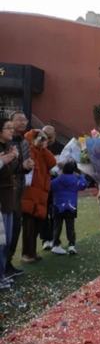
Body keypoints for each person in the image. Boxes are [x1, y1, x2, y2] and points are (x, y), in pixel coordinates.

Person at [21, 129, 56, 263]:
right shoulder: (29, 149)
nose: (42, 140)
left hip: (41, 192)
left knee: (36, 225)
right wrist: (35, 143)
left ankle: (32, 252)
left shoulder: (43, 151)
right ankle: (26, 254)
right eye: (40, 138)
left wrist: (43, 147)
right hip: (31, 192)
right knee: (29, 225)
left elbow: (52, 162)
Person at [5, 111, 33, 278]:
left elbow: (24, 165)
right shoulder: (6, 142)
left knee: (15, 226)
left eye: (25, 120)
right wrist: (22, 166)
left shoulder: (24, 141)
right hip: (7, 190)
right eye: (19, 120)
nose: (23, 122)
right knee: (7, 228)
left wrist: (28, 166)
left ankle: (8, 262)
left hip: (19, 189)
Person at [50, 160, 87, 255]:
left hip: (58, 206)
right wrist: (80, 176)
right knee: (70, 226)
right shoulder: (75, 180)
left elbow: (51, 186)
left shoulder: (57, 180)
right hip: (71, 206)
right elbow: (84, 185)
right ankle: (71, 245)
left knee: (57, 226)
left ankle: (55, 244)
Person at [0, 118, 19, 289]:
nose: (11, 131)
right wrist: (10, 156)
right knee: (1, 239)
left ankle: (3, 272)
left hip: (8, 197)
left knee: (7, 239)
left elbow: (12, 170)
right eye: (8, 128)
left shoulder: (9, 148)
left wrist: (19, 162)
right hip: (2, 198)